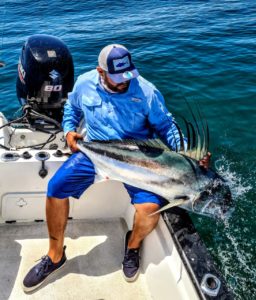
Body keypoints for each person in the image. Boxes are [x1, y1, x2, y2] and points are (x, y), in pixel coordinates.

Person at [23, 44, 210, 292]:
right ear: (101, 72)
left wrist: (188, 154)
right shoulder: (83, 84)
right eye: (117, 78)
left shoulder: (147, 92)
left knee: (149, 211)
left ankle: (132, 247)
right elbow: (72, 109)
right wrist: (69, 130)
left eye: (127, 76)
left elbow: (166, 127)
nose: (125, 83)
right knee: (55, 188)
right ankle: (56, 256)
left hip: (140, 160)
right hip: (97, 154)